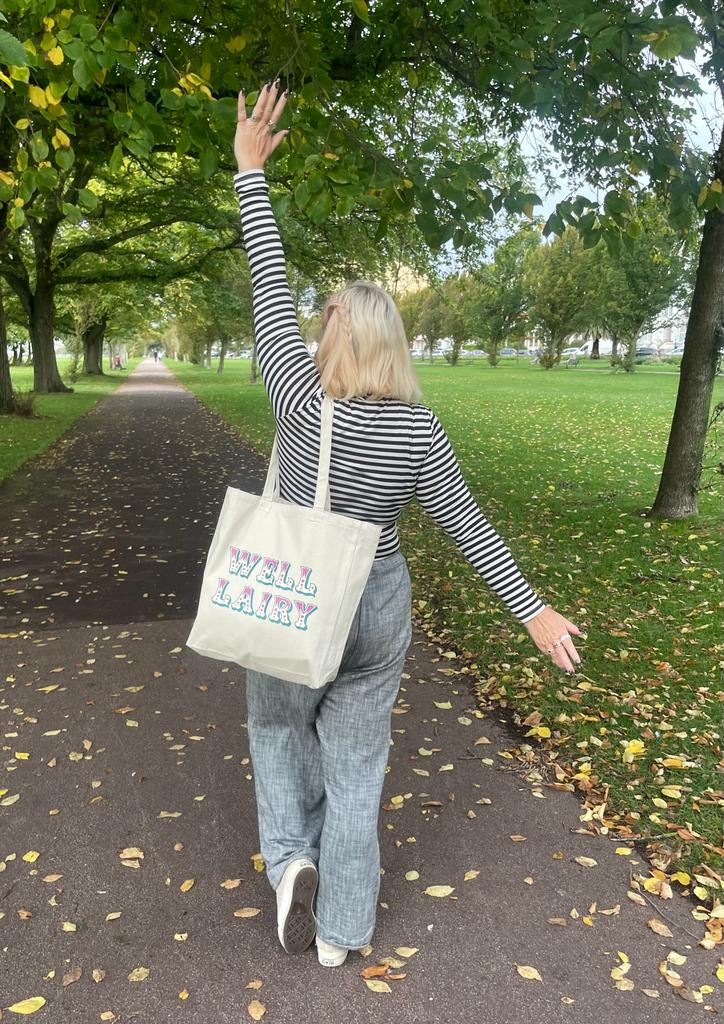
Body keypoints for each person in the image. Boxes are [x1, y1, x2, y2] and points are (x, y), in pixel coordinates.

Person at [233, 80, 584, 969]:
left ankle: (291, 859)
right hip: (377, 595)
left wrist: (251, 175)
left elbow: (268, 285)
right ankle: (342, 933)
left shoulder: (300, 398)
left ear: (330, 338)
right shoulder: (416, 427)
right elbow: (465, 523)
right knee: (359, 765)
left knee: (278, 729)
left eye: (323, 322)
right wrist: (533, 611)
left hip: (293, 585)